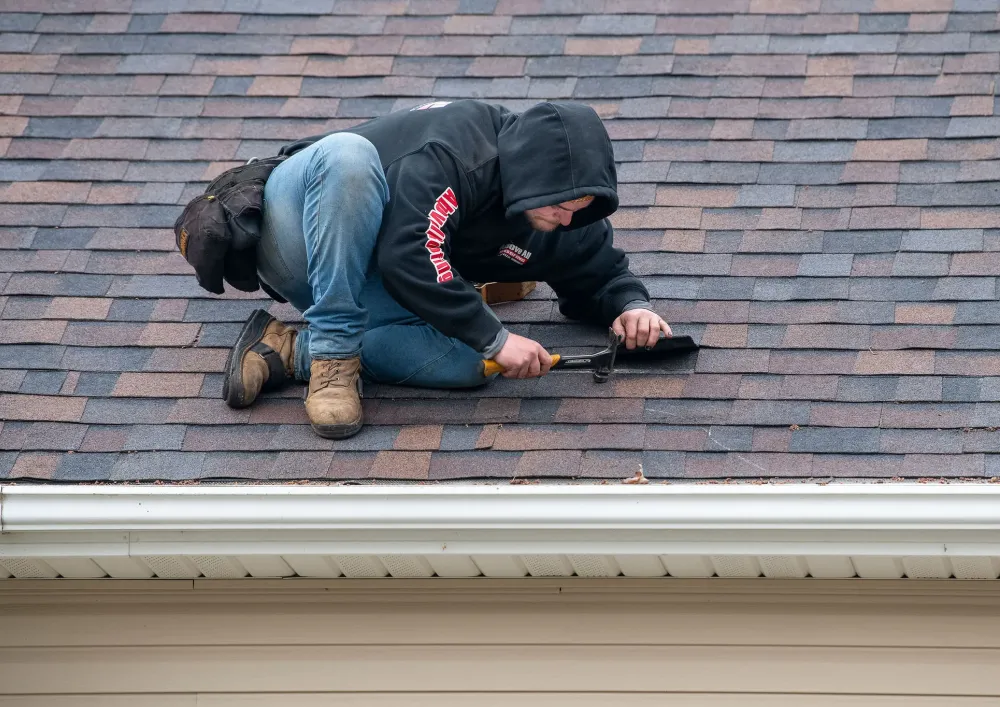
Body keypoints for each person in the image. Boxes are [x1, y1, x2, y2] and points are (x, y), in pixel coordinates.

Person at [221, 99, 672, 440]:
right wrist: (497, 334)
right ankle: (334, 355)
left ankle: (286, 348)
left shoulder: (566, 217)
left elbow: (602, 274)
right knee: (348, 156)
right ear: (530, 177)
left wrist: (631, 307)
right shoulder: (458, 149)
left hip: (375, 274)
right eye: (559, 205)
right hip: (299, 226)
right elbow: (410, 253)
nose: (569, 219)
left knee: (473, 363)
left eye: (582, 208)